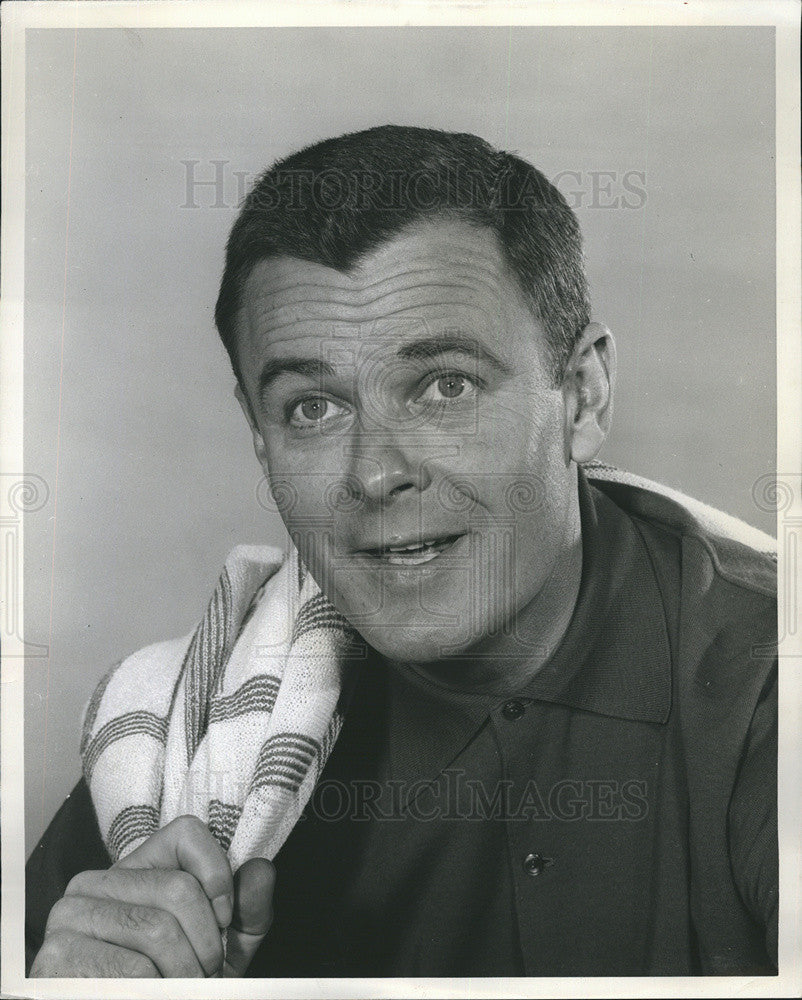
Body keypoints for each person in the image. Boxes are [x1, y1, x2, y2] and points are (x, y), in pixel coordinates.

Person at [26, 125, 778, 978]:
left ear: (582, 396)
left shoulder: (765, 687)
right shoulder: (180, 754)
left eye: (445, 387)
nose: (375, 473)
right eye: (313, 407)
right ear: (259, 438)